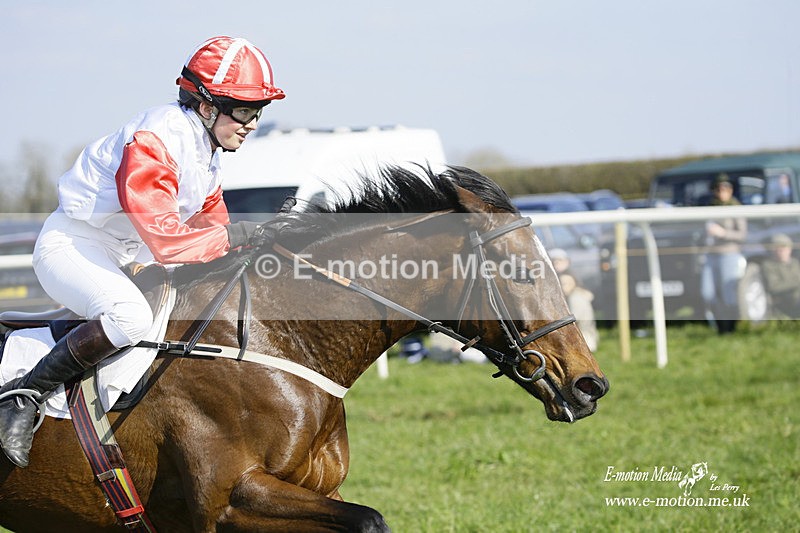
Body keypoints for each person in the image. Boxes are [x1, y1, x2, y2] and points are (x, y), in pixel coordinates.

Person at [0, 36, 285, 468]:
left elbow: (215, 230)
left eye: (256, 113)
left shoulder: (206, 153)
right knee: (129, 317)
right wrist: (241, 233)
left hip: (124, 252)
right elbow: (167, 239)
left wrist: (269, 239)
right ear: (208, 107)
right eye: (243, 111)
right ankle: (22, 399)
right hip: (74, 245)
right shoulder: (159, 136)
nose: (251, 124)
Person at [700, 173, 747, 334]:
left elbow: (742, 235)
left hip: (729, 254)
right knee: (708, 292)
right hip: (711, 255)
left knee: (729, 294)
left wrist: (722, 233)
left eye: (725, 188)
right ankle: (720, 326)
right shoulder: (710, 207)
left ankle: (730, 328)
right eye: (719, 188)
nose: (722, 191)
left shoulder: (735, 207)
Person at [549, 248, 598, 351]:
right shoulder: (553, 278)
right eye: (554, 261)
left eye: (560, 260)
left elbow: (576, 319)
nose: (557, 264)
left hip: (582, 338)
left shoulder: (576, 295)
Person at [760, 233, 800, 318]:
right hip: (785, 300)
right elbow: (774, 287)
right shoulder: (769, 265)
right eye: (777, 248)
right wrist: (796, 283)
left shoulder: (795, 263)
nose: (781, 250)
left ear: (790, 249)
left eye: (784, 247)